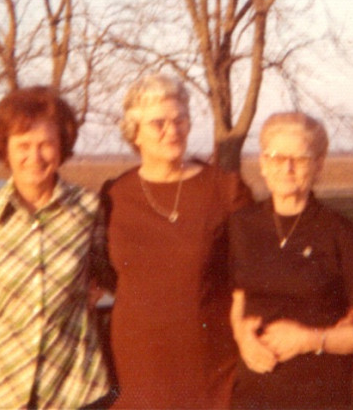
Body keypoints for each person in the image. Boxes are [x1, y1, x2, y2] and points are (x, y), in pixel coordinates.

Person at [94, 73, 253, 409]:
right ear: (134, 133)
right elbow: (101, 274)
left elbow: (253, 274)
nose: (174, 130)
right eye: (159, 123)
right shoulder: (115, 195)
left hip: (209, 365)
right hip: (137, 366)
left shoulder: (225, 190)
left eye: (181, 119)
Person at [228, 112, 353, 410]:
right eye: (277, 157)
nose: (287, 168)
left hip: (324, 394)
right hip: (254, 394)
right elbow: (239, 301)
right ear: (263, 164)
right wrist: (243, 338)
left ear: (318, 166)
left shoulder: (340, 232)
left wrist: (308, 339)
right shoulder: (241, 226)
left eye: (300, 159)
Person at [0, 85, 111, 409]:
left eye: (47, 144)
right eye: (23, 145)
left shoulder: (89, 208)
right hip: (3, 386)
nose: (35, 156)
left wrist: (94, 286)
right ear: (5, 148)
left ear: (62, 148)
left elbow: (105, 270)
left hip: (75, 387)